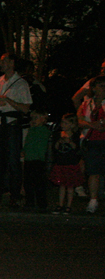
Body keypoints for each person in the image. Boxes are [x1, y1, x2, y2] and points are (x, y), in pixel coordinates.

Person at [0, 53, 32, 206]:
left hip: (12, 124)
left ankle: (15, 194)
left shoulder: (21, 83)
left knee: (13, 161)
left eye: (3, 61)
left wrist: (7, 100)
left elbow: (25, 108)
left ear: (12, 63)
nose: (0, 64)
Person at [77, 75, 105, 213]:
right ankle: (93, 201)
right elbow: (79, 120)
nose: (104, 89)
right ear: (93, 88)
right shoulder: (87, 104)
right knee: (93, 171)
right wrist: (92, 125)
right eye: (101, 86)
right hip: (92, 140)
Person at [50, 113, 85, 214]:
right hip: (61, 163)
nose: (63, 125)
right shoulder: (58, 134)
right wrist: (59, 142)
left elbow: (76, 148)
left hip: (71, 163)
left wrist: (69, 142)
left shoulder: (76, 135)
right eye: (62, 122)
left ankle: (68, 205)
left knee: (70, 186)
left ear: (72, 124)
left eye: (65, 123)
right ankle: (60, 205)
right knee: (61, 185)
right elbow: (55, 148)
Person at [22, 109, 51, 211]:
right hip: (29, 159)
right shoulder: (32, 130)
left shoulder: (44, 130)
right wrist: (24, 151)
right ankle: (29, 202)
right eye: (33, 118)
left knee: (39, 183)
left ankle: (41, 203)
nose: (34, 120)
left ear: (43, 119)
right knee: (28, 182)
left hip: (38, 160)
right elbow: (28, 142)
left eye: (36, 118)